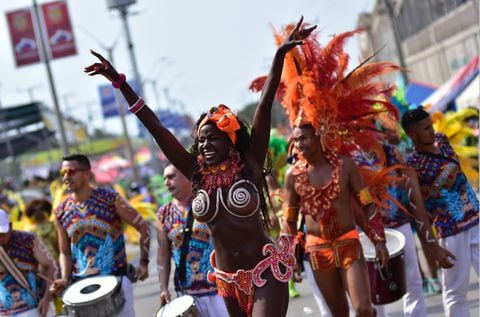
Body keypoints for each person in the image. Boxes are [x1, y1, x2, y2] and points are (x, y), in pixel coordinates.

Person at [85, 17, 315, 317]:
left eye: (212, 140)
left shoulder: (250, 164)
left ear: (230, 141)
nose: (204, 145)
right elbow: (156, 128)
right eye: (201, 141)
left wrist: (279, 55)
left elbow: (264, 103)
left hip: (266, 272)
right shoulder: (196, 173)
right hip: (227, 281)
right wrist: (120, 83)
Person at [352, 137, 455, 317]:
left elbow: (407, 179)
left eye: (368, 125)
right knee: (373, 285)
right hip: (368, 230)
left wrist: (396, 181)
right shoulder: (349, 160)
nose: (363, 131)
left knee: (412, 279)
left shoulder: (389, 151)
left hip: (399, 223)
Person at [50, 154, 151, 317]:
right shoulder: (61, 212)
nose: (66, 177)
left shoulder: (110, 199)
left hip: (116, 281)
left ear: (87, 174)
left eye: (71, 172)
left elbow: (143, 226)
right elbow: (64, 252)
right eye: (63, 173)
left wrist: (144, 263)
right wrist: (63, 278)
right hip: (83, 288)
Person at [401, 106, 479, 317]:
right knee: (456, 293)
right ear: (412, 134)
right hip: (451, 233)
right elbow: (418, 210)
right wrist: (433, 246)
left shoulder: (443, 141)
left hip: (476, 220)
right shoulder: (412, 166)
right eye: (426, 128)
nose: (432, 130)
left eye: (431, 125)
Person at [156, 164, 228, 316]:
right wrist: (163, 288)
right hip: (187, 296)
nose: (166, 183)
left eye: (171, 177)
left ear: (187, 175)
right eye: (164, 179)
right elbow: (163, 254)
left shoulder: (209, 202)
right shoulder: (164, 213)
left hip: (219, 292)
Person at [0, 208, 56, 317]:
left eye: (2, 233)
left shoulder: (27, 240)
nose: (0, 238)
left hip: (37, 308)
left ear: (10, 226)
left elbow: (49, 266)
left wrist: (46, 298)